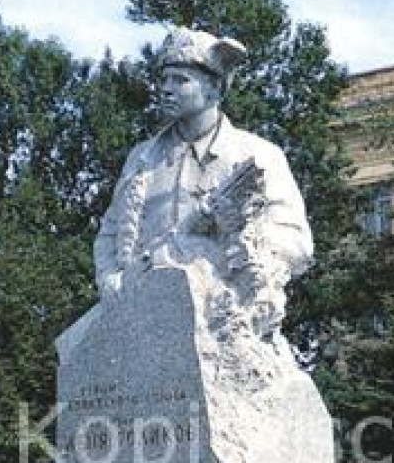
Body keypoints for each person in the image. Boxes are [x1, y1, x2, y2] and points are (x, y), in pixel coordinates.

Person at [94, 27, 313, 339]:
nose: (166, 89)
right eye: (164, 79)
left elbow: (295, 241)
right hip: (137, 317)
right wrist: (109, 277)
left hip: (219, 318)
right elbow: (110, 231)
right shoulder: (141, 158)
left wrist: (240, 240)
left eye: (181, 80)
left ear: (213, 88)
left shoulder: (258, 156)